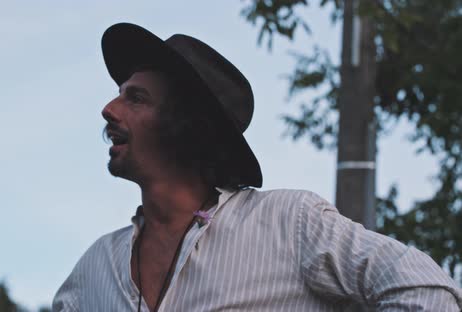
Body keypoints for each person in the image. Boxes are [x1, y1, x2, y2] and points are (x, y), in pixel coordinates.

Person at [53, 23, 462, 311]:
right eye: (118, 94)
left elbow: (428, 291)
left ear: (187, 127)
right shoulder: (93, 271)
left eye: (136, 98)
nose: (109, 109)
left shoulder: (289, 224)